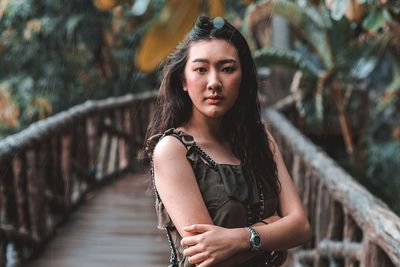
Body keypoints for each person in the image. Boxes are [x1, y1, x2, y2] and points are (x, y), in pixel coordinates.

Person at [145, 15, 311, 267]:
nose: (214, 83)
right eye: (201, 69)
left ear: (242, 77)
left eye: (227, 68)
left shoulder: (260, 139)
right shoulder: (172, 150)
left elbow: (300, 226)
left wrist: (239, 239)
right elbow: (208, 258)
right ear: (183, 81)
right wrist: (275, 229)